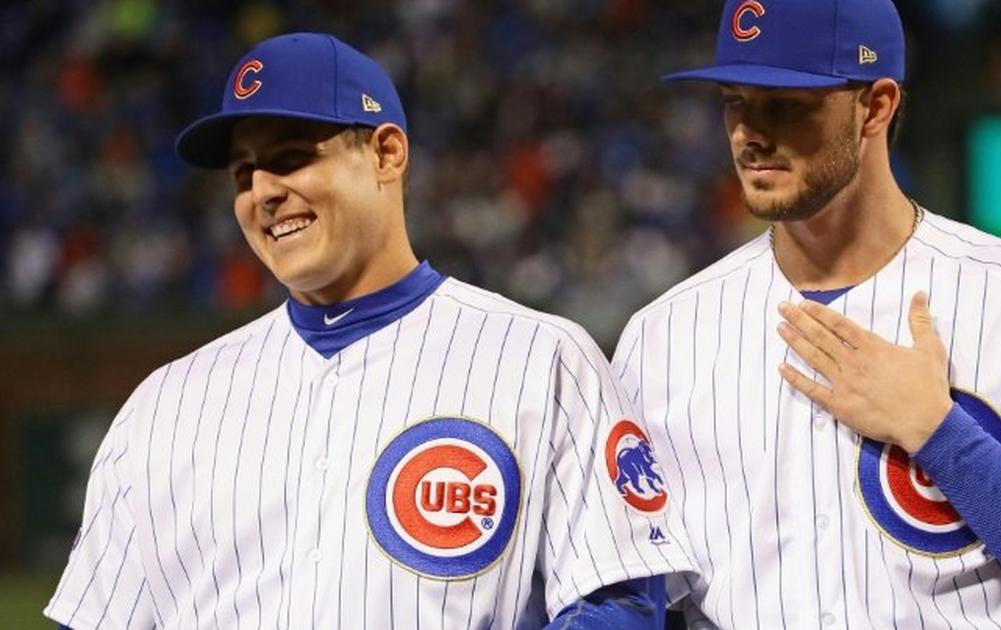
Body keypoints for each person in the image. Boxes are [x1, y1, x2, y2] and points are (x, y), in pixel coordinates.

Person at [44, 32, 694, 630]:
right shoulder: (164, 405)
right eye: (243, 174)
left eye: (292, 159)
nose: (263, 192)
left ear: (386, 153)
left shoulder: (540, 357)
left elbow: (619, 601)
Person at [612, 1, 1001, 628]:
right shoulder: (663, 336)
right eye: (734, 100)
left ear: (875, 106)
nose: (750, 133)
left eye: (786, 103)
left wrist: (939, 435)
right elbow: (636, 590)